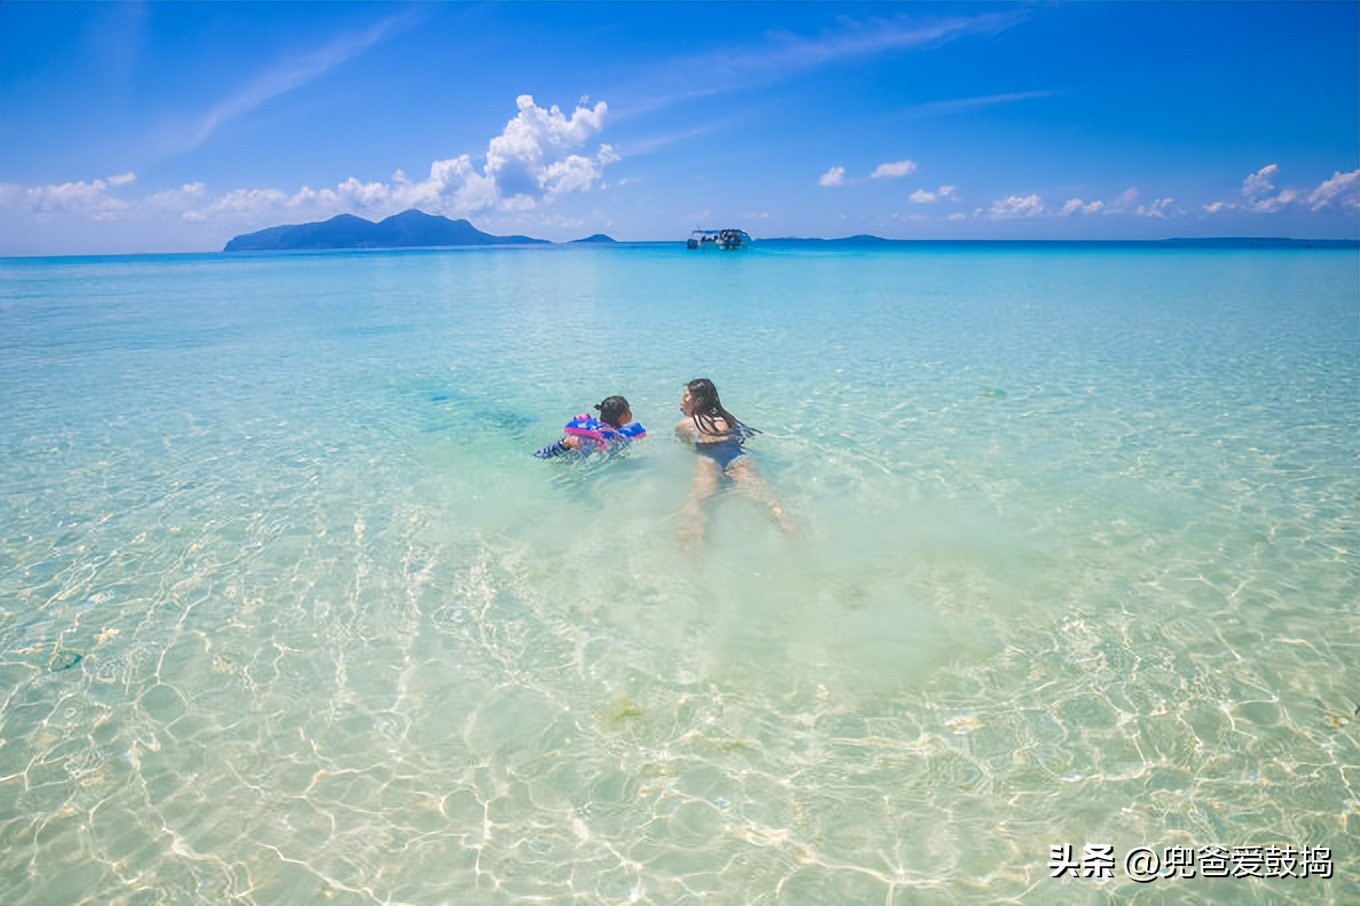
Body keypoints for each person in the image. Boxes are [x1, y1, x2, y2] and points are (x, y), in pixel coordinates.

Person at [674, 378, 793, 547]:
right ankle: (788, 526)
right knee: (766, 498)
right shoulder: (729, 420)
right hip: (737, 459)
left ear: (698, 400)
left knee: (697, 503)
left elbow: (688, 446)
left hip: (708, 461)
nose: (681, 401)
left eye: (686, 396)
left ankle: (691, 550)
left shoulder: (685, 425)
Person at [534, 395, 646, 458]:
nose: (631, 413)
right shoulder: (615, 435)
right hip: (587, 445)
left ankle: (564, 444)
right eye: (628, 410)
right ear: (622, 416)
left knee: (564, 447)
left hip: (575, 442)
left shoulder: (594, 424)